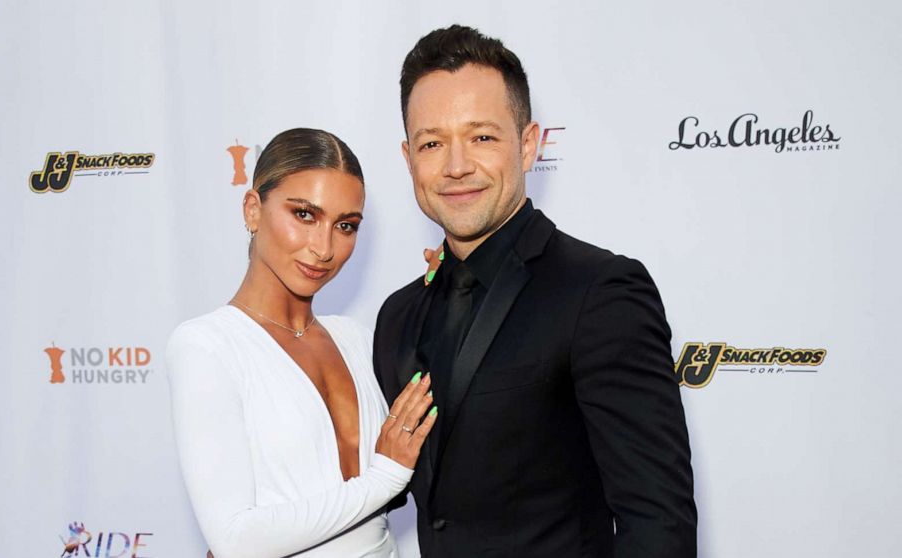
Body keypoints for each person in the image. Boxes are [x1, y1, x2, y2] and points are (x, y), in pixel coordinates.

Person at [373, 25, 697, 557]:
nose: (456, 166)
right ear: (409, 159)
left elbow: (657, 522)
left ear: (528, 145)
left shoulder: (600, 291)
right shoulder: (398, 315)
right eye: (433, 143)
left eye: (482, 137)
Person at [166, 128, 438, 558]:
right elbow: (236, 540)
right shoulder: (207, 346)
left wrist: (455, 288)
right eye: (305, 215)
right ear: (253, 210)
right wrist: (383, 478)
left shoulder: (356, 338)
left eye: (345, 225)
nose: (324, 247)